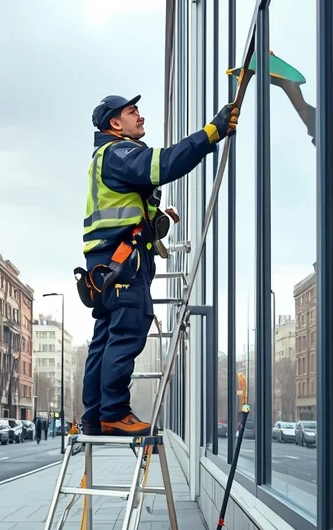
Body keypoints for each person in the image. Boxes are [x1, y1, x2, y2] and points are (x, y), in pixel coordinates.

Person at [78, 93, 238, 436]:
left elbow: (127, 206)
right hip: (122, 263)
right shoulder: (119, 152)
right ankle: (114, 413)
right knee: (126, 333)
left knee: (105, 337)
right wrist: (213, 132)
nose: (141, 117)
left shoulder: (105, 157)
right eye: (133, 112)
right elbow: (163, 164)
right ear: (115, 123)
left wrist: (156, 217)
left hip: (106, 263)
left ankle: (94, 414)